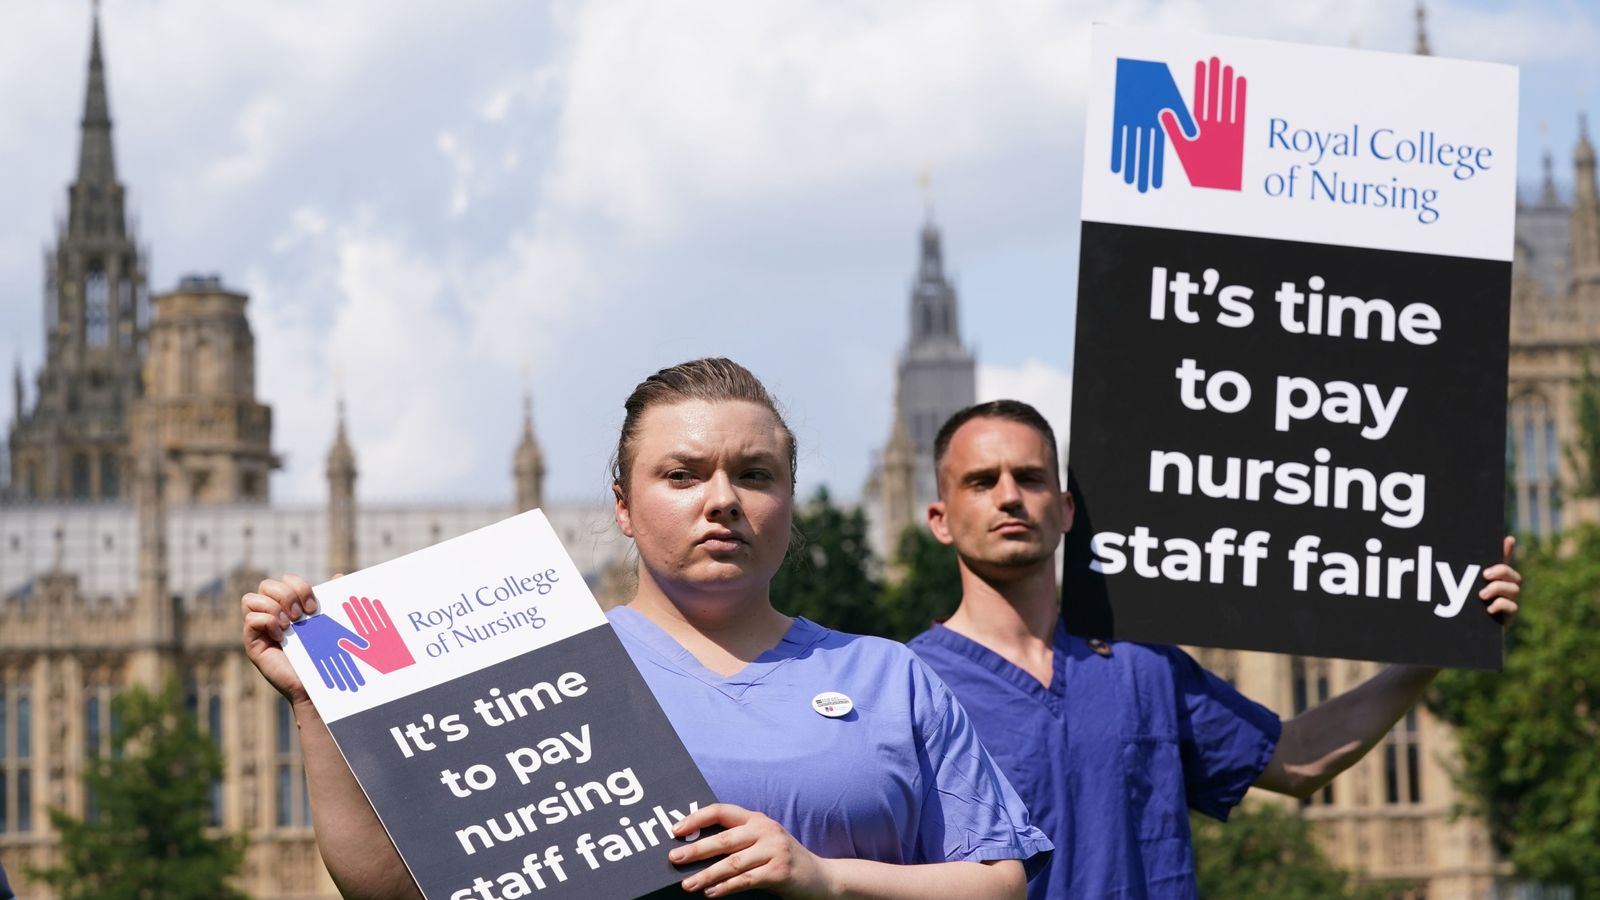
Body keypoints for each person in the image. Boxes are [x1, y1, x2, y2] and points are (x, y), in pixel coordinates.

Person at [242, 359, 1049, 900]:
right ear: (622, 507)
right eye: (683, 474)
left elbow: (999, 882)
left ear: (790, 502)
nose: (723, 499)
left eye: (755, 475)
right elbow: (393, 885)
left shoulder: (886, 677)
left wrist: (822, 877)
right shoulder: (540, 667)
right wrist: (315, 705)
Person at [906, 400, 1522, 900]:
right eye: (982, 482)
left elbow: (1301, 759)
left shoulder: (1142, 665)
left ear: (1066, 509)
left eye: (1031, 477)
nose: (1010, 496)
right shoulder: (908, 685)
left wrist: (1444, 639)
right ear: (940, 517)